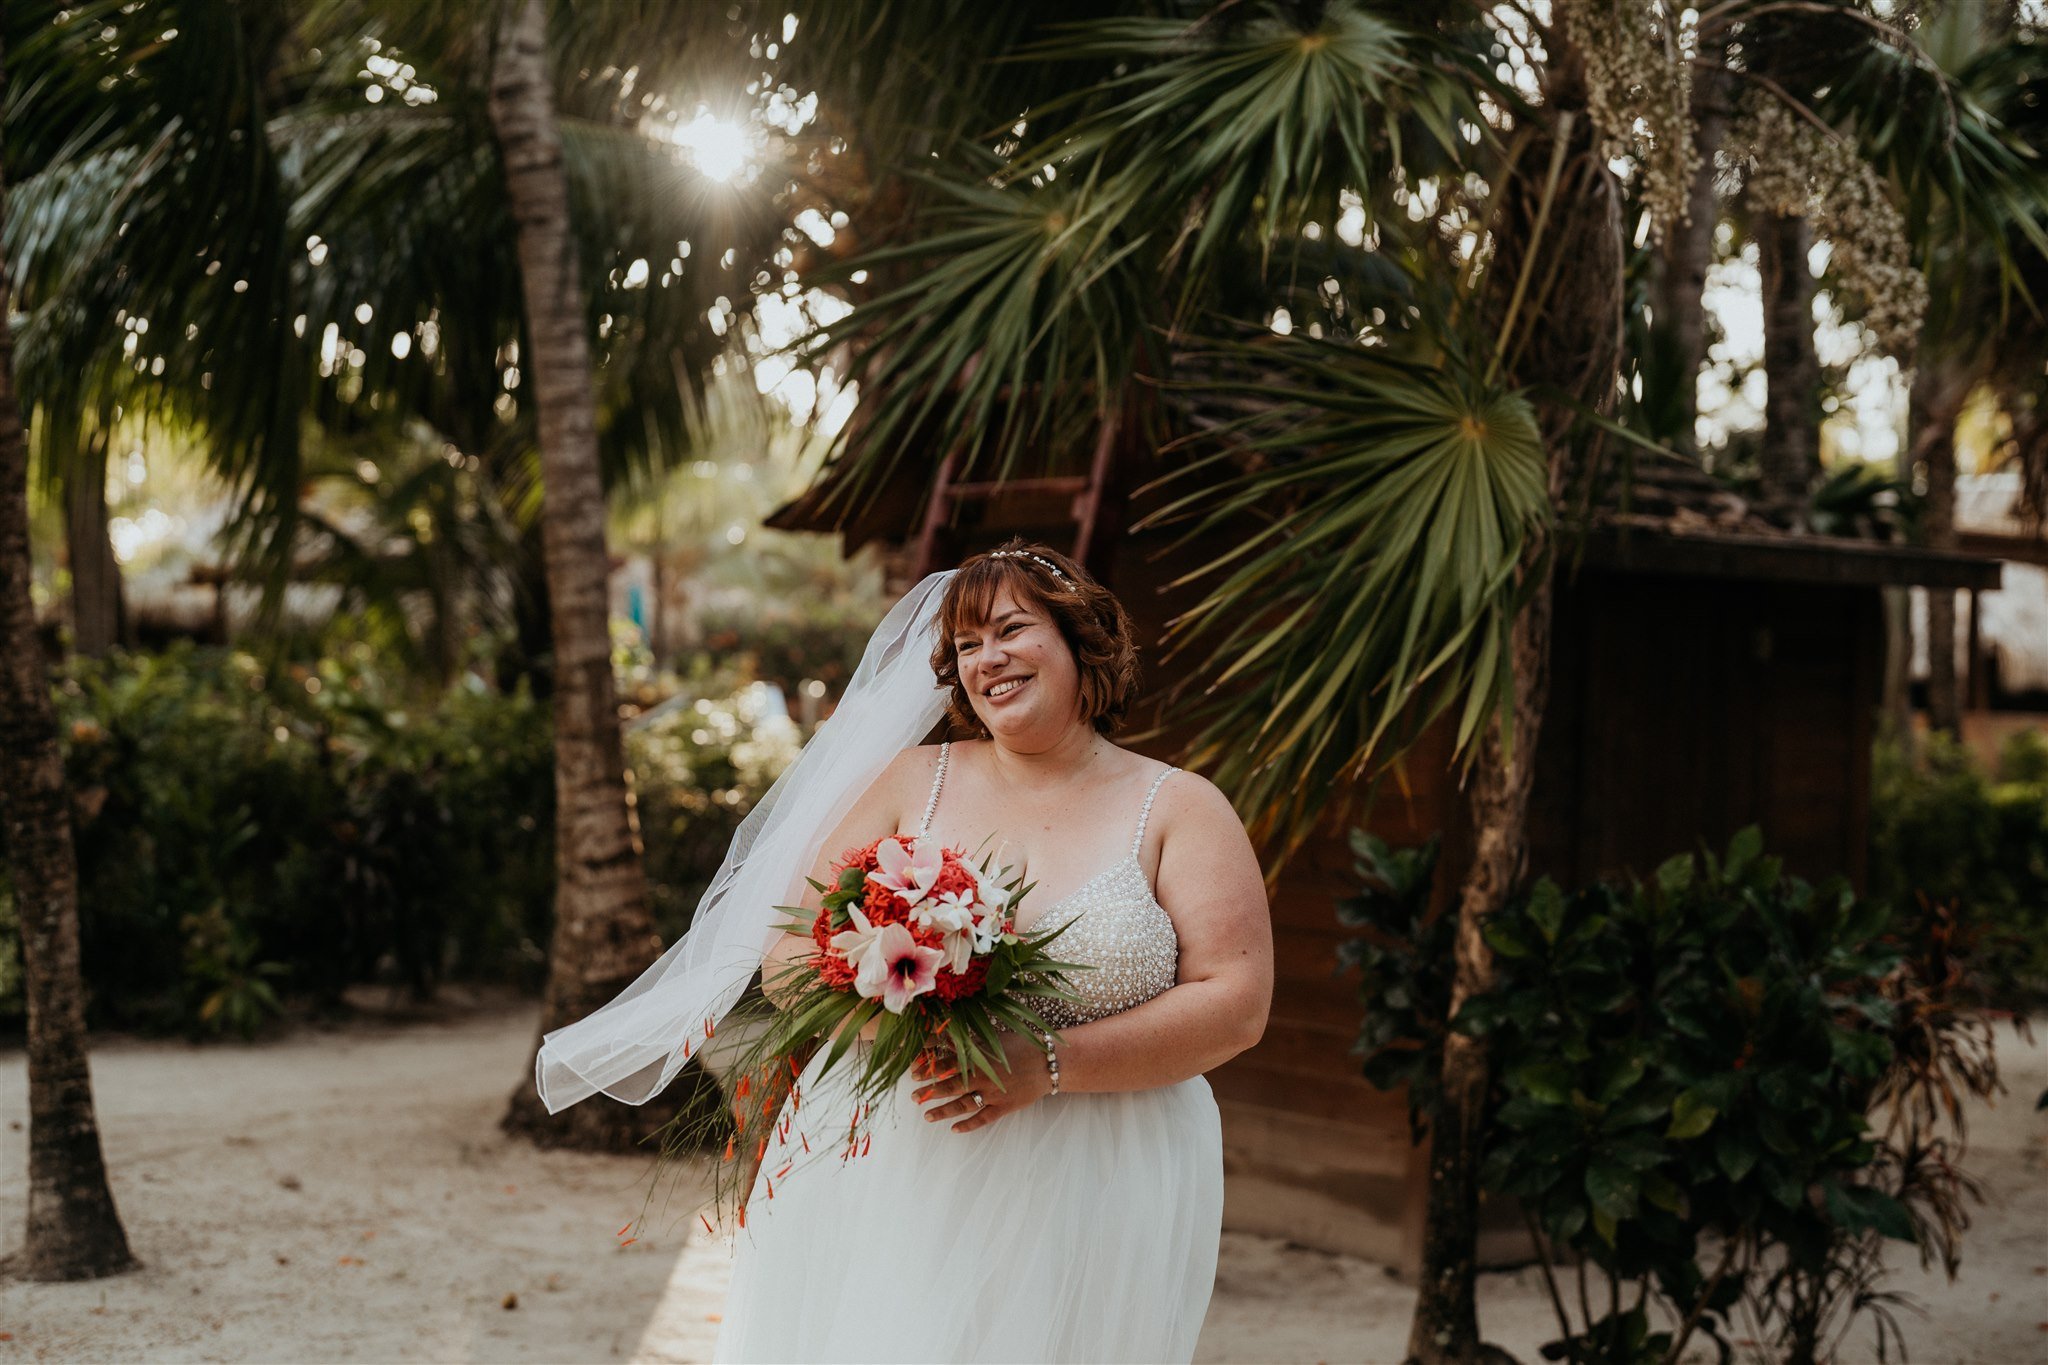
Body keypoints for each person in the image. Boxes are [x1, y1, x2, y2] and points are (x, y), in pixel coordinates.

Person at [536, 539, 1273, 1364]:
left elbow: (1236, 999)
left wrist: (1050, 1062)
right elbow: (786, 952)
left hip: (1110, 1169)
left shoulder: (1180, 807)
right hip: (899, 1155)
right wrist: (909, 1029)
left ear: (1079, 639)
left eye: (1010, 629)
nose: (987, 658)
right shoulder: (905, 781)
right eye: (965, 644)